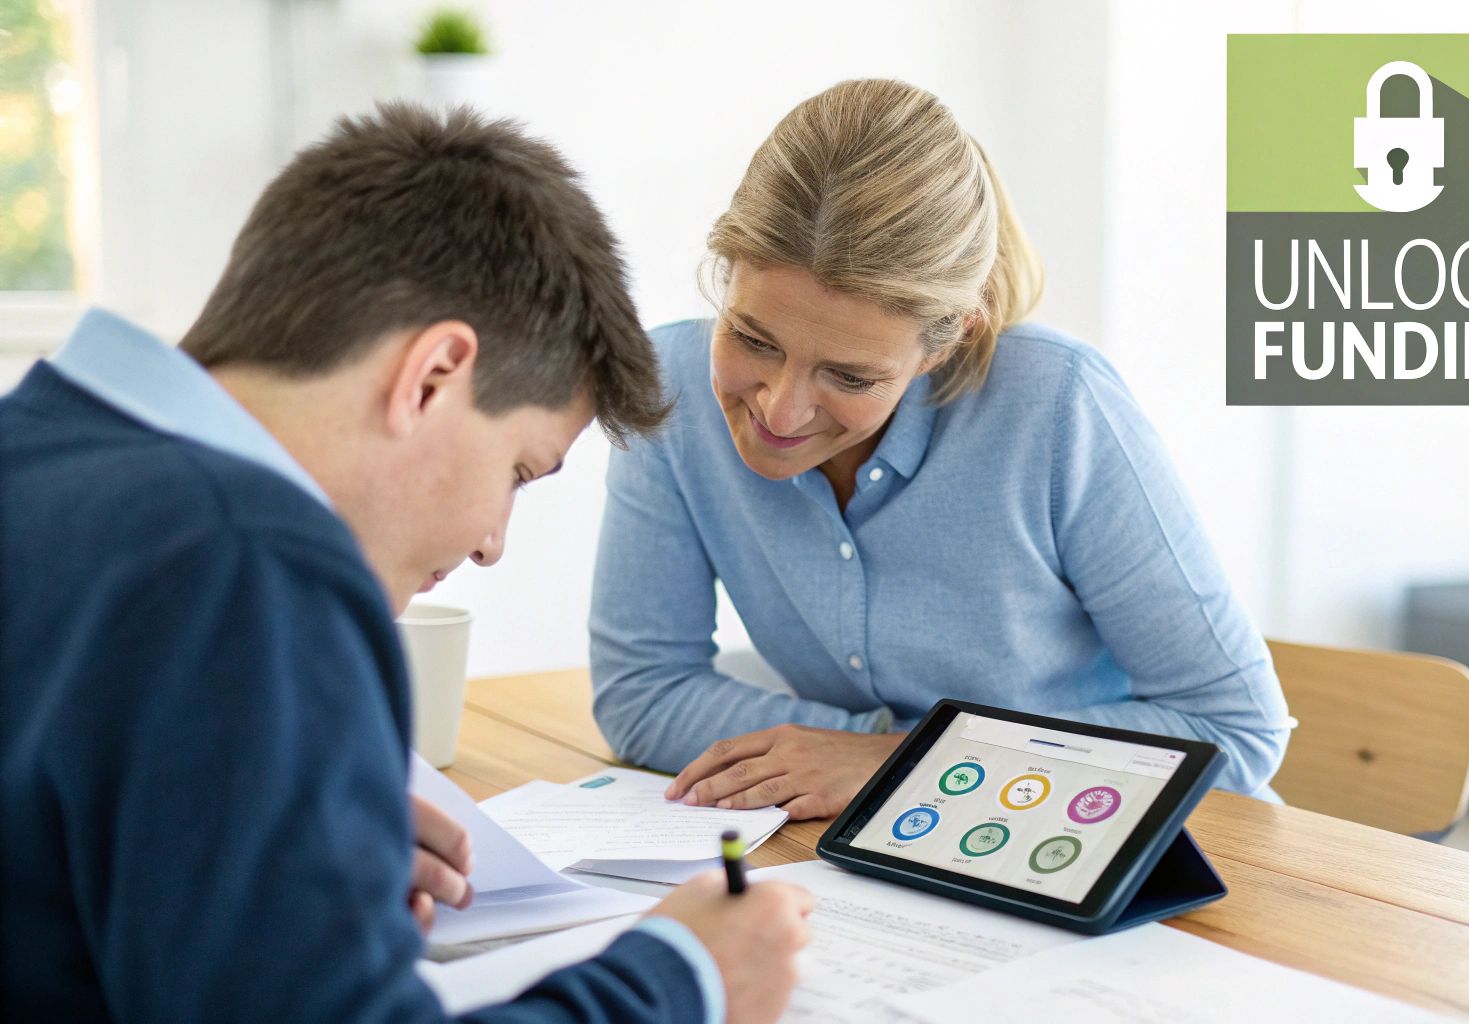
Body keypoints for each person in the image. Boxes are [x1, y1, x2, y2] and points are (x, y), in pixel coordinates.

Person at [0, 103, 811, 1023]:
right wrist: (680, 979)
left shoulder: (35, 452)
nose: (491, 543)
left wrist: (272, 832)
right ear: (432, 376)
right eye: (517, 471)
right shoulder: (253, 567)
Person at [590, 79, 1294, 821]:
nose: (779, 407)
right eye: (753, 340)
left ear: (949, 340)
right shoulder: (671, 389)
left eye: (851, 375)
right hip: (880, 856)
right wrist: (869, 756)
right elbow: (643, 691)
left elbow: (1232, 732)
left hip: (1120, 850)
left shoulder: (1056, 406)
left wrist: (901, 762)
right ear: (725, 277)